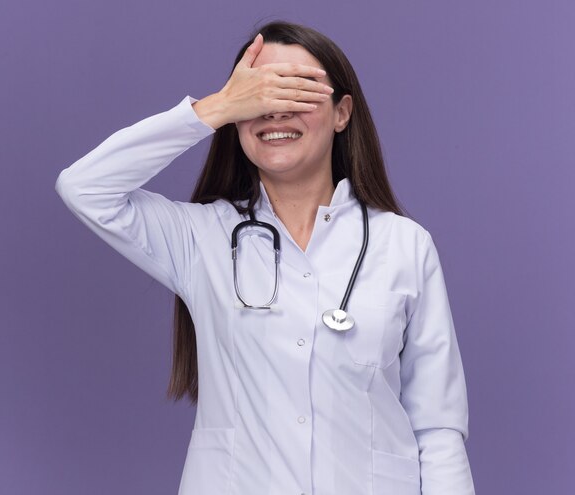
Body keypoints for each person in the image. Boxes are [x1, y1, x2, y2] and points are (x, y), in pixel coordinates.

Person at [55, 20, 475, 495]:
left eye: (297, 91)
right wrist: (217, 107)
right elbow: (84, 187)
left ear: (342, 113)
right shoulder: (202, 238)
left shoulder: (404, 245)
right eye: (259, 95)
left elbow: (437, 427)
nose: (275, 111)